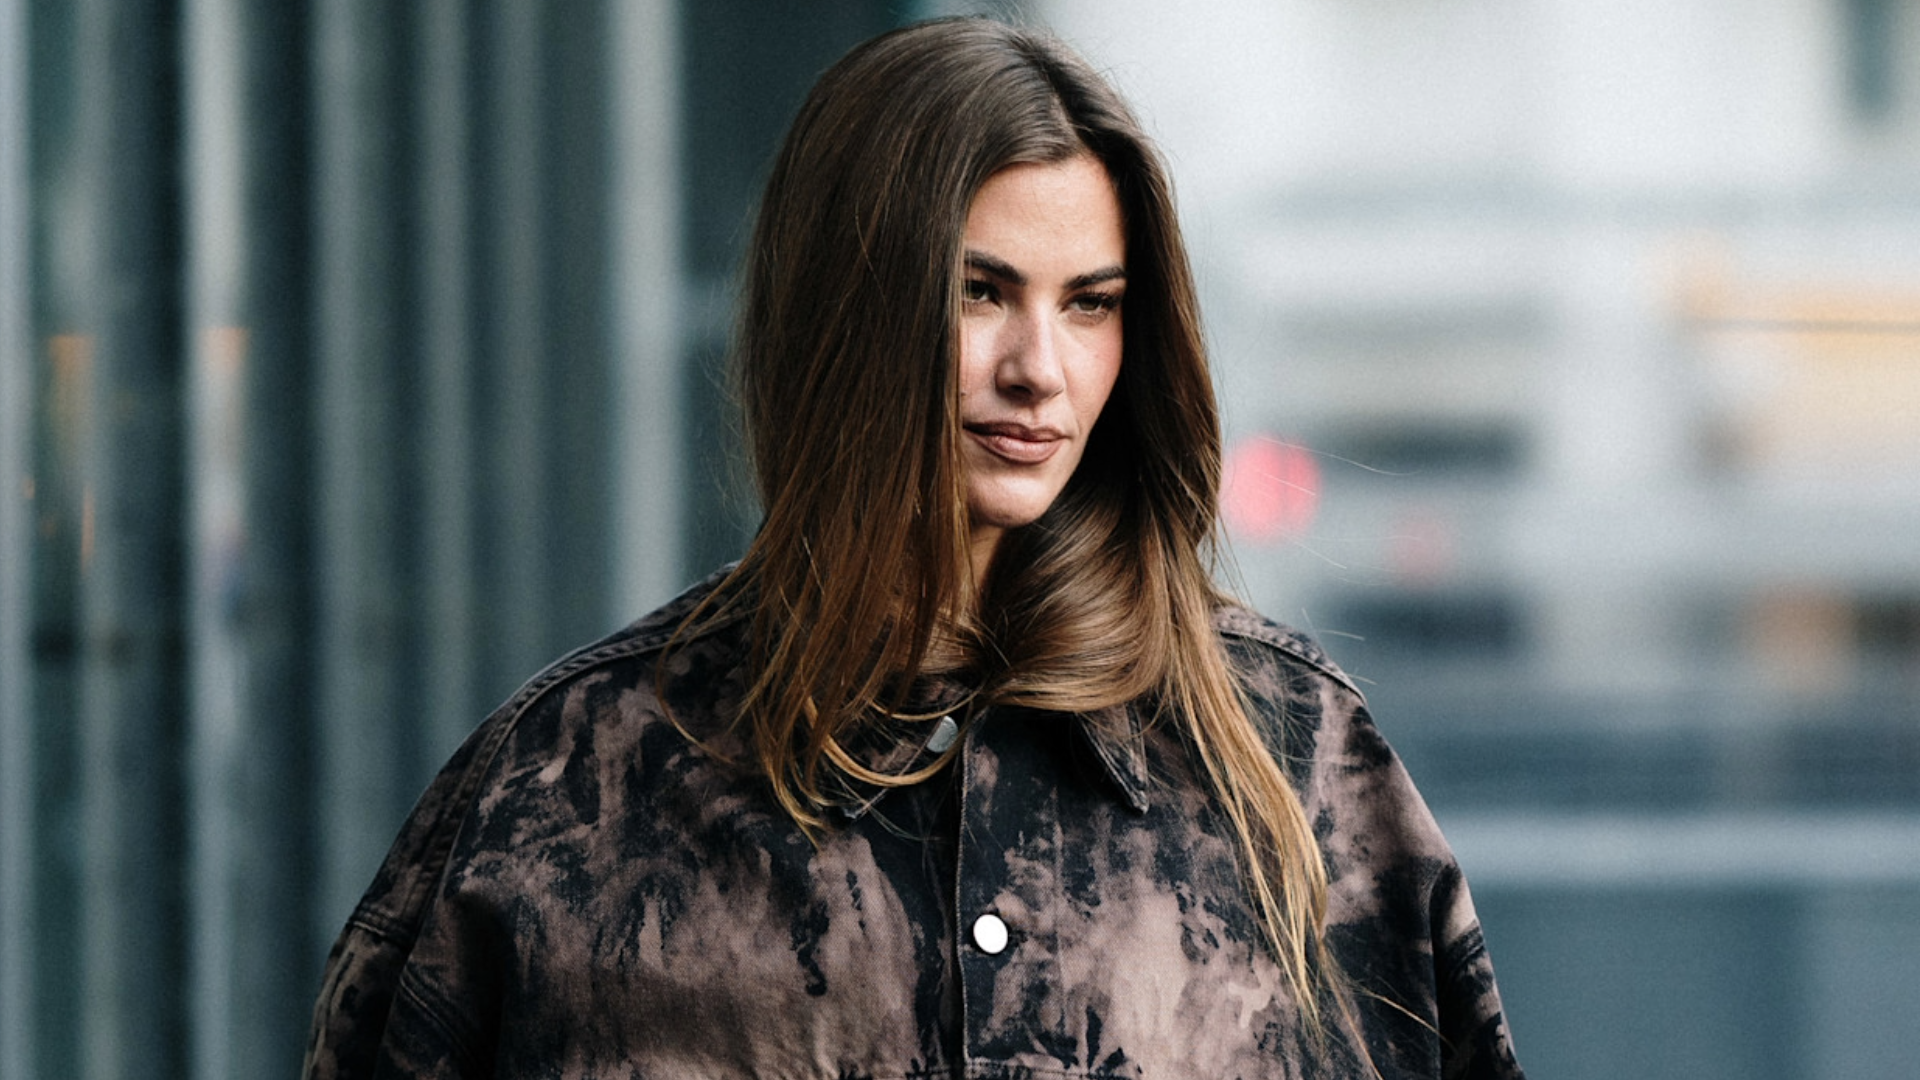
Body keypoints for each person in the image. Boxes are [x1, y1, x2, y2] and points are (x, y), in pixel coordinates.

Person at [304, 17, 1525, 1080]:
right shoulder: (573, 789)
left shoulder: (1289, 760)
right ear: (850, 306)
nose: (1038, 370)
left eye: (1090, 304)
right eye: (978, 291)